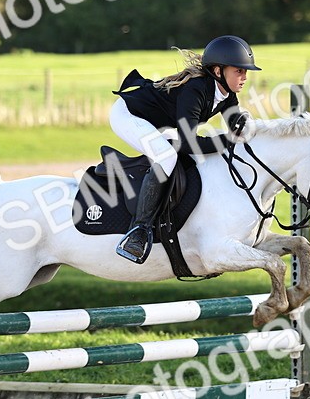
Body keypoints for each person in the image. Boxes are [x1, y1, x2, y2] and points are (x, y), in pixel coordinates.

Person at [110, 35, 259, 263]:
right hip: (129, 115)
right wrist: (226, 141)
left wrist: (248, 128)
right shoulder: (196, 89)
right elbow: (189, 143)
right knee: (167, 156)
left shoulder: (227, 94)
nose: (244, 77)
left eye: (245, 72)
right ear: (218, 71)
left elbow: (236, 125)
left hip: (158, 123)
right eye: (239, 71)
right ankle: (138, 231)